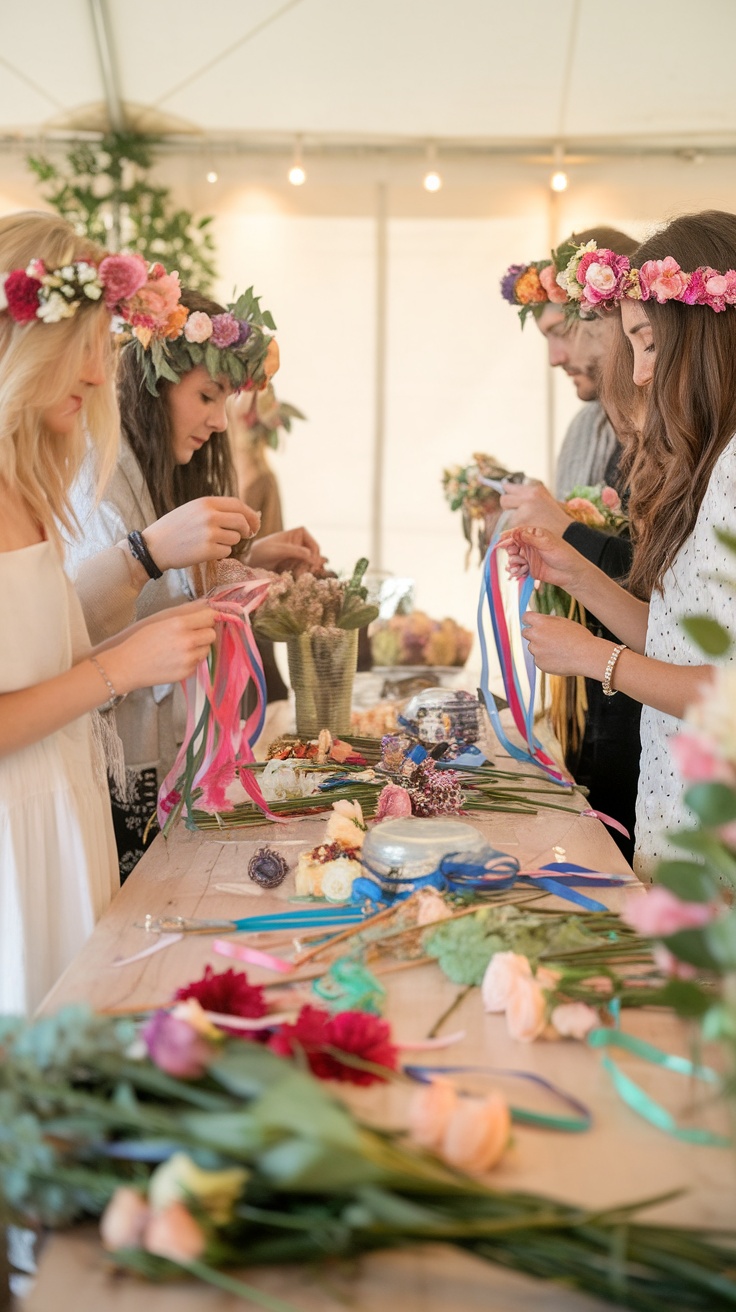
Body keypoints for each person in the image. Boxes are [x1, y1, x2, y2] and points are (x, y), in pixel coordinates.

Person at [0, 212, 217, 1012]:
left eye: (104, 347)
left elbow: (44, 646)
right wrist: (119, 668)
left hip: (59, 815)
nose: (98, 375)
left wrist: (147, 621)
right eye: (81, 348)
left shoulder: (27, 488)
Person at [500, 211, 736, 880]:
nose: (637, 375)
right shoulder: (714, 461)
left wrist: (596, 659)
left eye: (649, 343)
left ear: (710, 334)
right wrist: (577, 575)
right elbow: (680, 642)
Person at [67, 285, 324, 877]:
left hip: (164, 750)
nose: (217, 420)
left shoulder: (147, 467)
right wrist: (167, 560)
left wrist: (251, 559)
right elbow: (86, 621)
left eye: (224, 400)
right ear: (153, 384)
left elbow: (158, 586)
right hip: (120, 761)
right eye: (206, 396)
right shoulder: (98, 478)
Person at [499, 228, 641, 862]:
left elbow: (662, 593)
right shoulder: (591, 422)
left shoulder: (673, 434)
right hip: (591, 689)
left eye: (567, 329)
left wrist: (565, 529)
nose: (558, 355)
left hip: (643, 713)